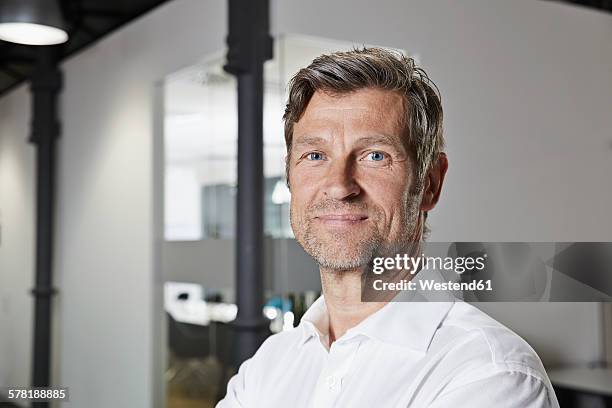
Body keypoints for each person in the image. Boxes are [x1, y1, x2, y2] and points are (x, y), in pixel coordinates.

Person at [217, 47, 559, 407]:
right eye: (315, 156)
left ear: (429, 184)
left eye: (375, 156)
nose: (339, 185)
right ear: (290, 176)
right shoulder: (269, 364)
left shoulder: (490, 374)